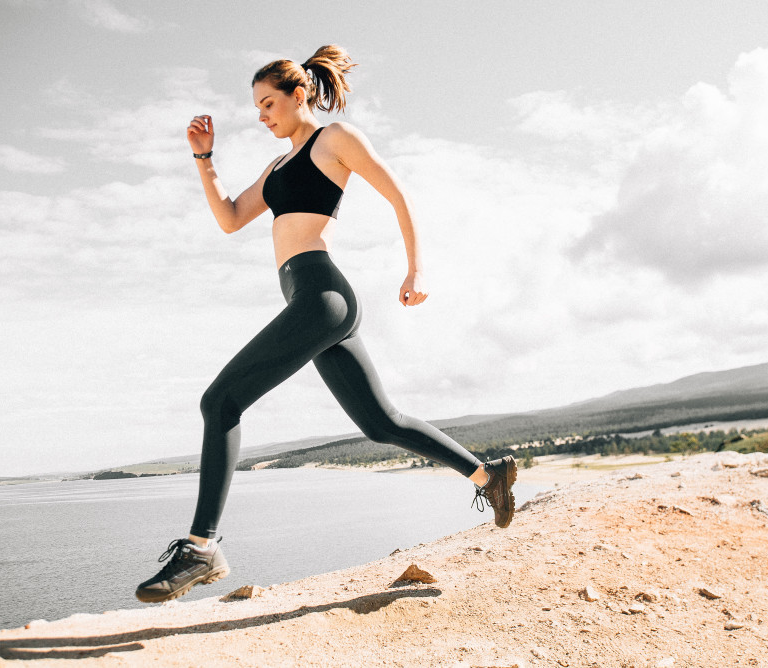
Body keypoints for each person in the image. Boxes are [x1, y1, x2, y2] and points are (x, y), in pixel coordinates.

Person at [135, 45, 516, 604]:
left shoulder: (333, 139)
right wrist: (205, 159)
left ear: (299, 94)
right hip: (308, 300)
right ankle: (489, 476)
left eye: (268, 103)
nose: (262, 115)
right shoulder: (277, 166)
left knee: (220, 402)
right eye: (257, 108)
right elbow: (230, 219)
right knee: (382, 423)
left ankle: (202, 546)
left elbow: (396, 193)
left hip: (321, 295)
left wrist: (416, 268)